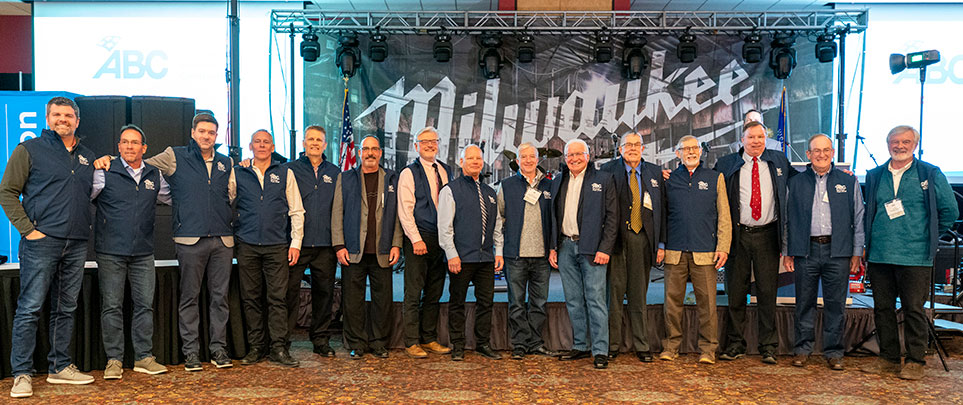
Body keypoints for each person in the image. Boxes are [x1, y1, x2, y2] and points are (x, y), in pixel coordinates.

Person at [96, 113, 237, 371]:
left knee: (219, 299)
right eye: (202, 131)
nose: (206, 136)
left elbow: (230, 195)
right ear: (193, 133)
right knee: (188, 298)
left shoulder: (226, 163)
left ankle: (218, 349)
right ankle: (190, 353)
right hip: (186, 239)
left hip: (222, 240)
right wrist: (110, 161)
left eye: (211, 132)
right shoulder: (174, 155)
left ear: (217, 137)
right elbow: (139, 162)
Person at [1, 97, 96, 398]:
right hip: (41, 243)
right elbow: (7, 192)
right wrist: (29, 231)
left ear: (77, 121)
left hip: (77, 243)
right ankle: (22, 374)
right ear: (47, 118)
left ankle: (60, 367)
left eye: (68, 115)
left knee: (65, 308)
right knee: (29, 308)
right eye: (56, 114)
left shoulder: (87, 156)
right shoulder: (29, 150)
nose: (62, 119)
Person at [859, 125, 958, 380]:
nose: (899, 146)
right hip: (880, 254)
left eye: (905, 142)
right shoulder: (875, 175)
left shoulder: (930, 173)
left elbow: (950, 211)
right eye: (894, 141)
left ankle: (916, 360)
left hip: (915, 255)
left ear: (915, 144)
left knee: (914, 308)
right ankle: (888, 359)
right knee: (882, 309)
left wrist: (927, 235)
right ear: (887, 144)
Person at [91, 125, 171, 380]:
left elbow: (178, 198)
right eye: (124, 142)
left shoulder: (155, 175)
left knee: (144, 306)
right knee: (112, 306)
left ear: (144, 148)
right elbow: (80, 198)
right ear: (118, 146)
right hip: (110, 251)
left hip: (143, 252)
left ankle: (143, 357)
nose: (129, 146)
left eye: (134, 143)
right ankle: (114, 360)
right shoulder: (103, 172)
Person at [784, 134, 864, 371]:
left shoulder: (848, 182)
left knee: (835, 304)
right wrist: (788, 251)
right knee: (804, 303)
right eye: (816, 151)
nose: (821, 154)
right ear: (808, 155)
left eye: (826, 150)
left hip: (838, 252)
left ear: (832, 153)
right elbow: (788, 220)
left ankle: (834, 351)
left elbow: (858, 218)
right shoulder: (795, 182)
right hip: (805, 251)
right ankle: (802, 349)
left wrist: (857, 253)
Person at [714, 121, 793, 364]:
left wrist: (835, 171)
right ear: (742, 140)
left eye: (760, 136)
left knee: (768, 293)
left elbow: (802, 181)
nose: (756, 141)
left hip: (768, 235)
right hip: (738, 236)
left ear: (766, 139)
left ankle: (768, 346)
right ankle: (736, 343)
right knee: (736, 292)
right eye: (751, 137)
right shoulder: (726, 164)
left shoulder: (779, 161)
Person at [235, 130, 304, 368]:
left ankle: (278, 348)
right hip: (247, 245)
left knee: (277, 299)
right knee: (251, 298)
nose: (262, 145)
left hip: (278, 246)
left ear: (272, 146)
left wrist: (295, 243)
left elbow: (296, 211)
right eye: (257, 142)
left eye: (266, 142)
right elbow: (227, 202)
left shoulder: (286, 173)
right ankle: (256, 347)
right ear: (250, 145)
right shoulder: (238, 173)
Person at [660, 136, 731, 365]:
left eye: (695, 148)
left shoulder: (715, 178)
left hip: (705, 252)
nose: (691, 151)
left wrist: (723, 247)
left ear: (701, 151)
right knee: (672, 303)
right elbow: (661, 216)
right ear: (676, 152)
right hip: (675, 251)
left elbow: (724, 216)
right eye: (685, 148)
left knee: (708, 304)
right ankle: (671, 346)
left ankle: (708, 349)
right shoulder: (668, 180)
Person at [549, 139, 618, 369]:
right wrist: (553, 247)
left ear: (588, 156)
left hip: (593, 250)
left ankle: (600, 350)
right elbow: (553, 217)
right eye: (570, 155)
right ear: (565, 158)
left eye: (579, 154)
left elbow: (612, 218)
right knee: (574, 300)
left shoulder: (603, 179)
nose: (574, 158)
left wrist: (605, 249)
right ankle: (580, 345)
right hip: (566, 247)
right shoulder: (559, 179)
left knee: (596, 300)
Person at [331, 136, 402, 359]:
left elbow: (398, 216)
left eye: (374, 149)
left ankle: (380, 342)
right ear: (359, 152)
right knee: (353, 301)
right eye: (366, 149)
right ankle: (357, 343)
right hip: (352, 250)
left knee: (383, 300)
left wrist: (396, 244)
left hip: (382, 250)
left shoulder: (392, 179)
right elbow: (337, 214)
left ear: (380, 153)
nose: (370, 153)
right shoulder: (346, 178)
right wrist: (339, 245)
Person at [599, 132, 665, 362]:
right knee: (614, 296)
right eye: (628, 145)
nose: (633, 148)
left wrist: (661, 243)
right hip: (615, 241)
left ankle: (642, 345)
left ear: (643, 148)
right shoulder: (607, 171)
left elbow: (662, 211)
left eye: (637, 145)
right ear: (620, 149)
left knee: (639, 295)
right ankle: (612, 345)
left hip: (643, 240)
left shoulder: (655, 172)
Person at [438, 145, 504, 361]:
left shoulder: (490, 192)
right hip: (461, 258)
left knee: (486, 302)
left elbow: (496, 226)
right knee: (457, 302)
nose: (475, 161)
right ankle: (458, 344)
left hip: (485, 258)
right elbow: (444, 227)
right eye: (471, 158)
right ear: (461, 161)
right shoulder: (450, 190)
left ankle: (483, 343)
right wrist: (451, 255)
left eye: (479, 158)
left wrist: (499, 252)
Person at [284, 125, 342, 357]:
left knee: (324, 294)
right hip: (297, 245)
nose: (315, 143)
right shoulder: (289, 169)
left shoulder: (335, 172)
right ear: (304, 144)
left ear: (325, 144)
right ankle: (283, 341)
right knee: (289, 293)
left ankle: (320, 340)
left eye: (319, 140)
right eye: (311, 139)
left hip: (326, 245)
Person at [497, 143, 557, 360]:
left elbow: (556, 220)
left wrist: (553, 248)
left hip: (541, 256)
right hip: (515, 255)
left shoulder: (551, 185)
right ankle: (520, 343)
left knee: (539, 302)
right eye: (524, 157)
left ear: (538, 159)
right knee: (516, 302)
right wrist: (500, 249)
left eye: (532, 156)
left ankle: (535, 342)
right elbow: (499, 219)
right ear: (518, 161)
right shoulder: (507, 185)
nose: (529, 160)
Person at [397, 127, 453, 358]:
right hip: (419, 238)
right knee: (413, 291)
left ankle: (428, 338)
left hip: (441, 239)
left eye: (434, 141)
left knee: (434, 291)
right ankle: (411, 341)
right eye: (425, 141)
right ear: (416, 146)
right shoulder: (408, 173)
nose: (430, 145)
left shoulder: (445, 170)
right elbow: (405, 210)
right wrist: (416, 239)